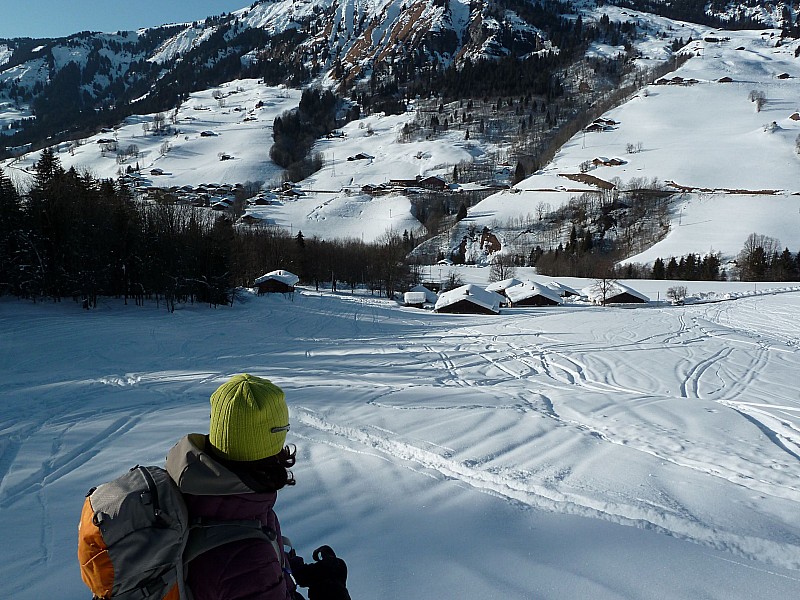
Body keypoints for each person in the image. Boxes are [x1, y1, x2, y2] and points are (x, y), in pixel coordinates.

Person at [166, 373, 319, 600]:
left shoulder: (200, 486)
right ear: (273, 439)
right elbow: (245, 566)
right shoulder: (249, 560)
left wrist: (294, 569)